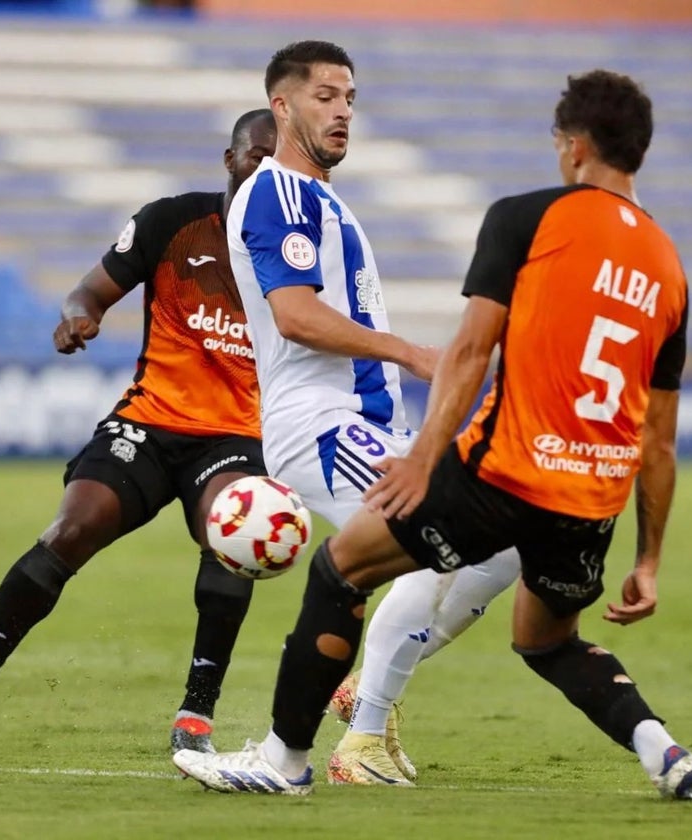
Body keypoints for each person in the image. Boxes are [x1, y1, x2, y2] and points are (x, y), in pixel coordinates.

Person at [173, 69, 692, 801]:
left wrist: (425, 459)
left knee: (344, 569)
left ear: (576, 146)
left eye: (560, 143)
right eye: (329, 97)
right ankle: (665, 753)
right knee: (547, 639)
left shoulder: (527, 218)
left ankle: (296, 755)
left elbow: (468, 354)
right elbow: (659, 441)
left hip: (502, 467)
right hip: (591, 495)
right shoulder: (667, 264)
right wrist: (649, 558)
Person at [0, 109, 278, 754]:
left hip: (236, 433)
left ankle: (196, 719)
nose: (266, 170)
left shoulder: (301, 248)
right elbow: (89, 293)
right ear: (229, 159)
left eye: (279, 162)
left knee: (231, 540)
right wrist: (77, 318)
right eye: (255, 156)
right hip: (151, 420)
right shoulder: (171, 221)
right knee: (68, 530)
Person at [209, 39, 521, 786]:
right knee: (432, 535)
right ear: (281, 106)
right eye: (325, 96)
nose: (343, 111)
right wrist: (412, 353)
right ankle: (359, 738)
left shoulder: (326, 198)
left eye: (350, 97)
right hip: (317, 422)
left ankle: (364, 699)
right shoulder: (276, 191)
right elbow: (294, 315)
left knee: (505, 542)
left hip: (373, 425)